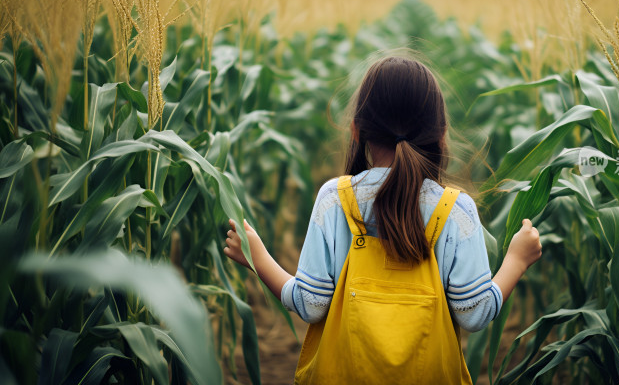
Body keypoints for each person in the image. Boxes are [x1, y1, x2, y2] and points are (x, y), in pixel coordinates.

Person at [224, 56, 542, 384]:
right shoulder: (456, 211)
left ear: (357, 130)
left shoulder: (334, 199)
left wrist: (257, 257)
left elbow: (310, 304)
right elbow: (474, 313)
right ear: (441, 134)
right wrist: (516, 261)